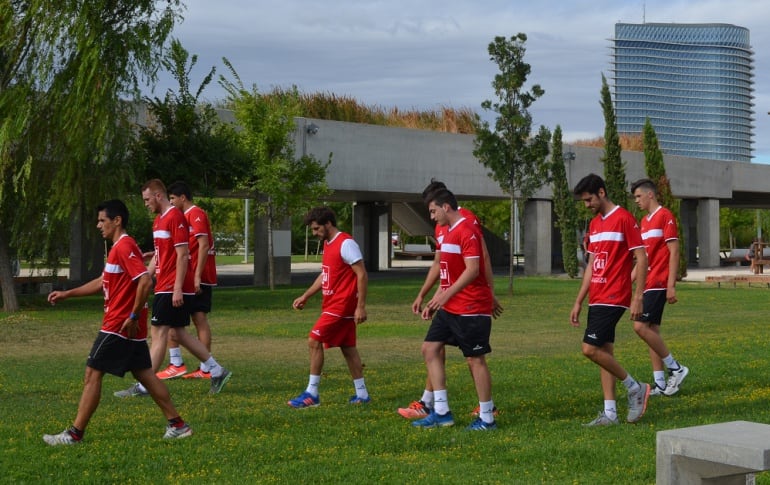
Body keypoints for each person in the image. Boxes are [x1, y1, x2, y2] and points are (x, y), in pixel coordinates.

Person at [43, 199, 192, 445]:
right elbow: (103, 281)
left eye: (102, 220)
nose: (98, 225)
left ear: (117, 220)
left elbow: (145, 281)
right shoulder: (118, 248)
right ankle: (178, 425)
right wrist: (67, 293)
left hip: (118, 326)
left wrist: (132, 316)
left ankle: (74, 434)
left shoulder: (124, 246)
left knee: (92, 372)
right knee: (146, 375)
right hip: (127, 327)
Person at [114, 179, 231, 397]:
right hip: (165, 285)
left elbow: (183, 255)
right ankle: (217, 370)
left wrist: (177, 288)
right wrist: (144, 278)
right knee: (177, 333)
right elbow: (159, 257)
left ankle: (144, 385)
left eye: (147, 199)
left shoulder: (175, 217)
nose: (146, 204)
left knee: (158, 332)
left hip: (170, 287)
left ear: (159, 196)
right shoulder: (159, 221)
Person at [399, 179, 502, 420]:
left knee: (474, 359)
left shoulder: (466, 227)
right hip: (451, 303)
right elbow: (444, 268)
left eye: (433, 210)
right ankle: (439, 410)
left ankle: (487, 414)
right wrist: (429, 296)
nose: (431, 216)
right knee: (430, 348)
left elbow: (475, 265)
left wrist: (490, 293)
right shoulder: (446, 229)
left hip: (469, 304)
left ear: (445, 205)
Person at [570, 173, 651, 426]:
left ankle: (635, 386)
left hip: (615, 296)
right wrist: (579, 300)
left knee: (589, 348)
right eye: (583, 201)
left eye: (589, 199)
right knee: (604, 351)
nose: (587, 205)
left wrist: (638, 296)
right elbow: (592, 267)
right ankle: (610, 414)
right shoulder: (594, 225)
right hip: (597, 296)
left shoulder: (624, 219)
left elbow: (642, 257)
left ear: (601, 193)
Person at [288, 206, 371, 408]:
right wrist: (306, 295)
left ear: (328, 224)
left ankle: (312, 393)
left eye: (316, 229)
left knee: (313, 340)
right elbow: (326, 274)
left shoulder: (346, 243)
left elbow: (362, 274)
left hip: (341, 306)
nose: (315, 233)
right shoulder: (328, 243)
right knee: (348, 348)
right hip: (332, 304)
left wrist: (360, 307)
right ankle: (362, 395)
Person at [631, 179, 689, 396]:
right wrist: (628, 281)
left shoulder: (665, 216)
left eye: (638, 196)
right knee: (651, 331)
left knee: (640, 327)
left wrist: (671, 285)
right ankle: (661, 384)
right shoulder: (644, 222)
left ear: (650, 195)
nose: (636, 200)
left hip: (658, 282)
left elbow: (674, 252)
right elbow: (642, 258)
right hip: (647, 283)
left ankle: (677, 368)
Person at [155, 181, 218, 380]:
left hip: (198, 276)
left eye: (173, 198)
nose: (171, 202)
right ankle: (183, 364)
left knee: (198, 320)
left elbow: (204, 244)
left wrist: (198, 275)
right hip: (187, 277)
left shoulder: (195, 214)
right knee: (176, 326)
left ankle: (206, 368)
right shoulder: (179, 217)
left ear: (183, 197)